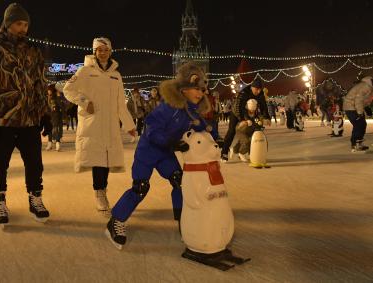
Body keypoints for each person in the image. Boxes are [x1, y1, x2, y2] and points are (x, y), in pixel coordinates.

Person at [105, 62, 220, 250]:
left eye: (203, 90)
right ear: (184, 89)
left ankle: (184, 219)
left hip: (165, 152)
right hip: (148, 150)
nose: (201, 94)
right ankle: (116, 220)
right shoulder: (168, 107)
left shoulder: (192, 111)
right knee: (140, 187)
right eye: (196, 89)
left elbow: (202, 125)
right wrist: (171, 142)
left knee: (178, 180)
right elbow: (151, 130)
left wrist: (216, 136)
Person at [0, 3, 51, 224]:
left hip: (28, 119)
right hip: (2, 118)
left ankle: (35, 198)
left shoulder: (33, 51)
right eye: (19, 23)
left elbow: (39, 83)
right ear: (8, 24)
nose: (23, 28)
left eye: (26, 24)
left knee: (35, 163)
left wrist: (44, 113)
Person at [63, 37, 136, 212]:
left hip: (110, 123)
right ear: (94, 52)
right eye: (99, 50)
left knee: (106, 159)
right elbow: (68, 89)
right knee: (98, 160)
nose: (102, 53)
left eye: (106, 50)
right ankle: (99, 192)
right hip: (93, 122)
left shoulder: (115, 76)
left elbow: (120, 103)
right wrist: (84, 101)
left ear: (110, 52)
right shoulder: (84, 71)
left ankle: (102, 189)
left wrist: (129, 125)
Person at [220, 78, 270, 162]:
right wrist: (242, 119)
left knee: (250, 132)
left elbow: (263, 106)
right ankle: (224, 153)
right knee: (232, 131)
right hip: (236, 113)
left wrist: (267, 117)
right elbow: (238, 106)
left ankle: (243, 151)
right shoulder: (244, 92)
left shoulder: (260, 94)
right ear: (252, 87)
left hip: (249, 113)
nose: (258, 91)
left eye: (260, 89)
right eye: (256, 89)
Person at [343, 76, 373, 152]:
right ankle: (355, 144)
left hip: (354, 107)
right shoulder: (365, 86)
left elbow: (364, 100)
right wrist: (360, 112)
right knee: (359, 125)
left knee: (362, 124)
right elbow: (358, 99)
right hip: (351, 107)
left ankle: (359, 143)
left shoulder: (369, 87)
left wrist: (366, 108)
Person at [46, 84, 64, 151]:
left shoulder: (56, 97)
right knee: (49, 129)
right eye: (48, 90)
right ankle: (50, 143)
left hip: (56, 115)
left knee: (55, 128)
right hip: (49, 115)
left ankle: (57, 142)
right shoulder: (47, 96)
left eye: (49, 89)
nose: (48, 91)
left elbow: (61, 105)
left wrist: (59, 96)